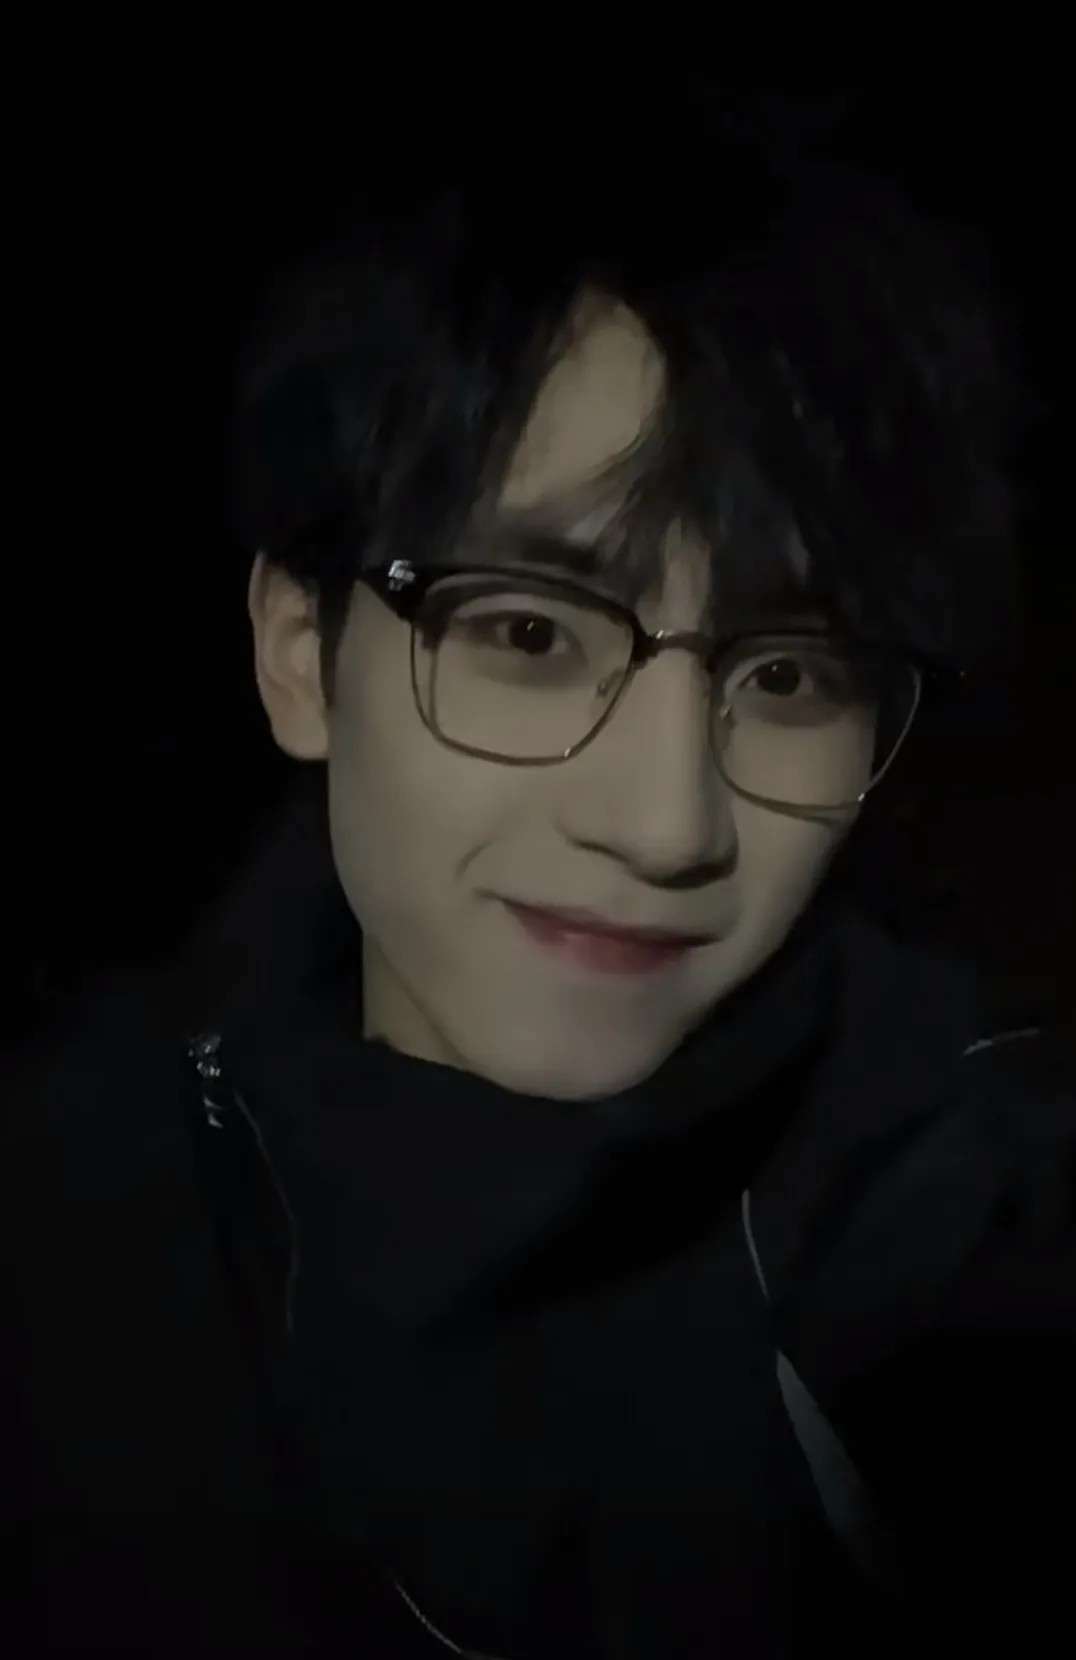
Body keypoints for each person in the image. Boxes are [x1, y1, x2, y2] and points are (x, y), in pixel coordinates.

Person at [4, 133, 1072, 1657]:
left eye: (788, 675)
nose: (667, 824)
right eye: (528, 633)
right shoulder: (71, 1220)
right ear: (302, 655)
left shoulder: (954, 1215)